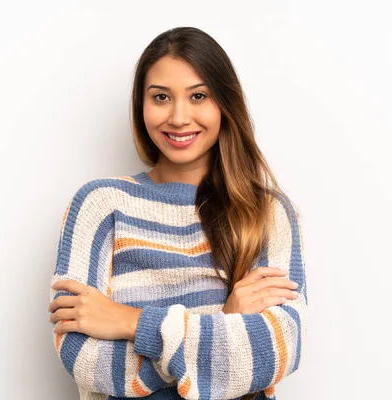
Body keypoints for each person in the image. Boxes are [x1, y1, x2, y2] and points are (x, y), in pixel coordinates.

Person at [47, 26, 308, 400]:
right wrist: (226, 323)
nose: (179, 117)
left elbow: (276, 350)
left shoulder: (267, 213)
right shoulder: (100, 205)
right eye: (161, 97)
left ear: (224, 103)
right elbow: (87, 360)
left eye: (198, 95)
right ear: (142, 106)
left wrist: (130, 321)